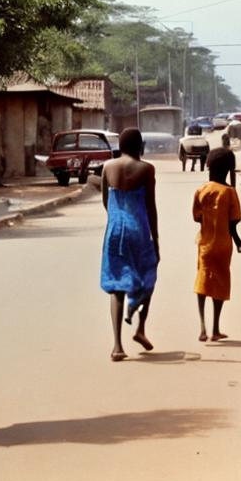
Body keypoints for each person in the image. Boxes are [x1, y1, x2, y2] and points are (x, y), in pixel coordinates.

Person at [100, 127, 159, 361]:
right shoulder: (146, 168)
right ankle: (140, 326)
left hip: (114, 230)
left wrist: (117, 220)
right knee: (148, 273)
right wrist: (156, 239)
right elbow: (150, 206)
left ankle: (117, 346)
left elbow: (106, 202)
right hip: (138, 229)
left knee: (115, 286)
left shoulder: (107, 167)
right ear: (139, 146)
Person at [193, 148, 241, 342]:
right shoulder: (230, 193)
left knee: (202, 281)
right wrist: (239, 243)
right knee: (220, 284)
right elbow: (233, 223)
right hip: (223, 246)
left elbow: (197, 217)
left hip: (205, 244)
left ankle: (202, 327)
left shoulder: (201, 191)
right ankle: (215, 328)